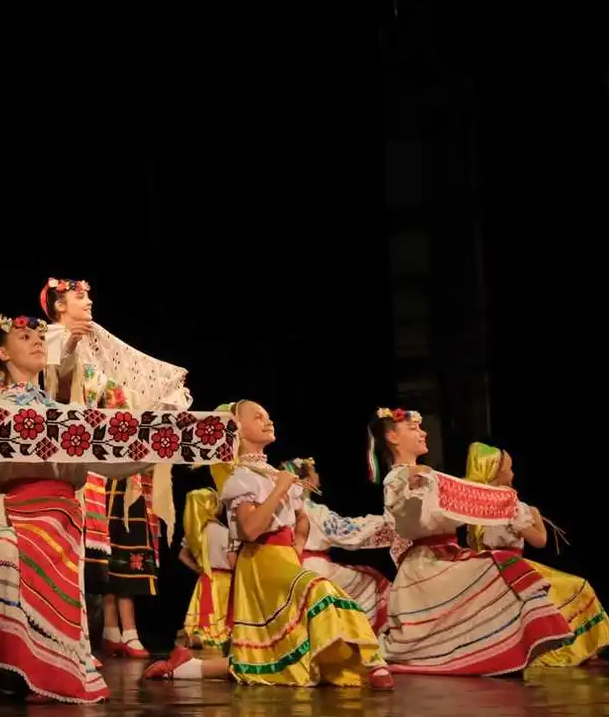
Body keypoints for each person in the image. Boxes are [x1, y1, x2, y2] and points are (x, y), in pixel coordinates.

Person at [0, 316, 128, 703]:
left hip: (58, 510)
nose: (37, 342)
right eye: (24, 336)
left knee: (24, 550)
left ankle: (47, 668)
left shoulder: (64, 413)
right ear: (2, 353)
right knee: (0, 549)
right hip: (10, 503)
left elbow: (112, 461)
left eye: (39, 336)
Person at [144, 401, 391, 688]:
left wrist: (296, 545)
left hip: (284, 559)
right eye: (258, 417)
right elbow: (250, 529)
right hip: (260, 561)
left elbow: (302, 519)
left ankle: (189, 669)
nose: (268, 421)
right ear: (238, 429)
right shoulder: (242, 477)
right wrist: (280, 490)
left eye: (268, 416)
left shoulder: (272, 474)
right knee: (321, 590)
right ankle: (372, 662)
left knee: (276, 651)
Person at [371, 407, 573, 675]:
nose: (423, 433)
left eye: (421, 428)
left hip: (445, 559)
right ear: (393, 437)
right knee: (501, 566)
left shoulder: (429, 477)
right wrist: (414, 479)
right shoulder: (398, 479)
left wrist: (505, 502)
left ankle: (508, 649)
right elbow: (405, 504)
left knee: (505, 569)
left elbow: (464, 500)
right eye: (414, 429)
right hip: (425, 567)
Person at [42, 277, 175, 660]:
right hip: (63, 458)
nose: (88, 302)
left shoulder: (97, 345)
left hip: (93, 464)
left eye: (88, 296)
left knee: (91, 560)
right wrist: (69, 346)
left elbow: (117, 390)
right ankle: (65, 639)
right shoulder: (49, 339)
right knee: (66, 552)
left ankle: (83, 640)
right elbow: (55, 385)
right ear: (59, 305)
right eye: (79, 296)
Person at [462, 441, 609, 668]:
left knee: (575, 587)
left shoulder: (522, 508)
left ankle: (585, 645)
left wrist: (524, 524)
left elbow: (540, 541)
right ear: (497, 471)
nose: (513, 474)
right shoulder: (477, 510)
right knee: (558, 591)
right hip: (494, 569)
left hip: (517, 565)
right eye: (509, 469)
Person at [282, 458, 394, 632]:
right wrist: (388, 522)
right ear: (307, 481)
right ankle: (360, 633)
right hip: (313, 568)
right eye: (314, 472)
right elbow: (348, 532)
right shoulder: (313, 510)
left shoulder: (281, 508)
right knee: (372, 582)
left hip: (287, 567)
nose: (318, 477)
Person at [176, 481, 235, 651]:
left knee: (205, 618)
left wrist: (199, 569)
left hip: (206, 579)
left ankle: (196, 638)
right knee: (220, 617)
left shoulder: (196, 533)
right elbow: (231, 559)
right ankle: (212, 638)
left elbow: (182, 555)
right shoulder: (223, 532)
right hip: (224, 579)